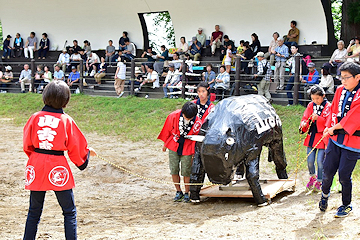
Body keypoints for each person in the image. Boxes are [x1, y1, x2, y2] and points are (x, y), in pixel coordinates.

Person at [22, 80, 96, 240]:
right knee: (69, 211)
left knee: (34, 210)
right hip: (57, 165)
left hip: (37, 163)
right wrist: (86, 156)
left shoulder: (35, 118)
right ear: (66, 100)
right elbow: (76, 147)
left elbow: (27, 144)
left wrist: (37, 158)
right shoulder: (66, 121)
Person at [319, 62, 360, 217]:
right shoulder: (339, 90)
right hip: (335, 139)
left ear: (357, 77)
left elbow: (353, 118)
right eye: (341, 77)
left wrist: (333, 127)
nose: (343, 81)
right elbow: (333, 110)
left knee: (344, 174)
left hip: (353, 141)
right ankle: (324, 195)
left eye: (346, 77)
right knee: (327, 171)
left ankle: (346, 204)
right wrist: (328, 127)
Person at [158, 101, 202, 203]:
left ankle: (187, 192)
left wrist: (194, 152)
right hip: (174, 144)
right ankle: (178, 191)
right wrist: (165, 144)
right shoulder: (173, 116)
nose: (187, 119)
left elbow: (197, 138)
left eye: (190, 118)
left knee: (186, 171)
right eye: (186, 116)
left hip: (188, 146)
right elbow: (167, 130)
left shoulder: (197, 122)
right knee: (174, 169)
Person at [299, 85, 331, 192]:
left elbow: (329, 121)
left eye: (317, 98)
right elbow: (305, 118)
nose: (315, 101)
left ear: (323, 96)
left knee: (320, 161)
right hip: (312, 136)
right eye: (313, 99)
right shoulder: (310, 105)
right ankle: (312, 177)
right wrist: (303, 124)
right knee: (310, 160)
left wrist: (319, 119)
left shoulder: (328, 106)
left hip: (323, 136)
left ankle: (320, 181)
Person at [189, 82, 215, 202]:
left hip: (204, 139)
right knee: (191, 165)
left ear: (207, 92)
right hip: (192, 138)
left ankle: (197, 191)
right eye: (199, 92)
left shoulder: (212, 107)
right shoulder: (192, 105)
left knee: (200, 165)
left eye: (203, 91)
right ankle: (190, 192)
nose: (201, 94)